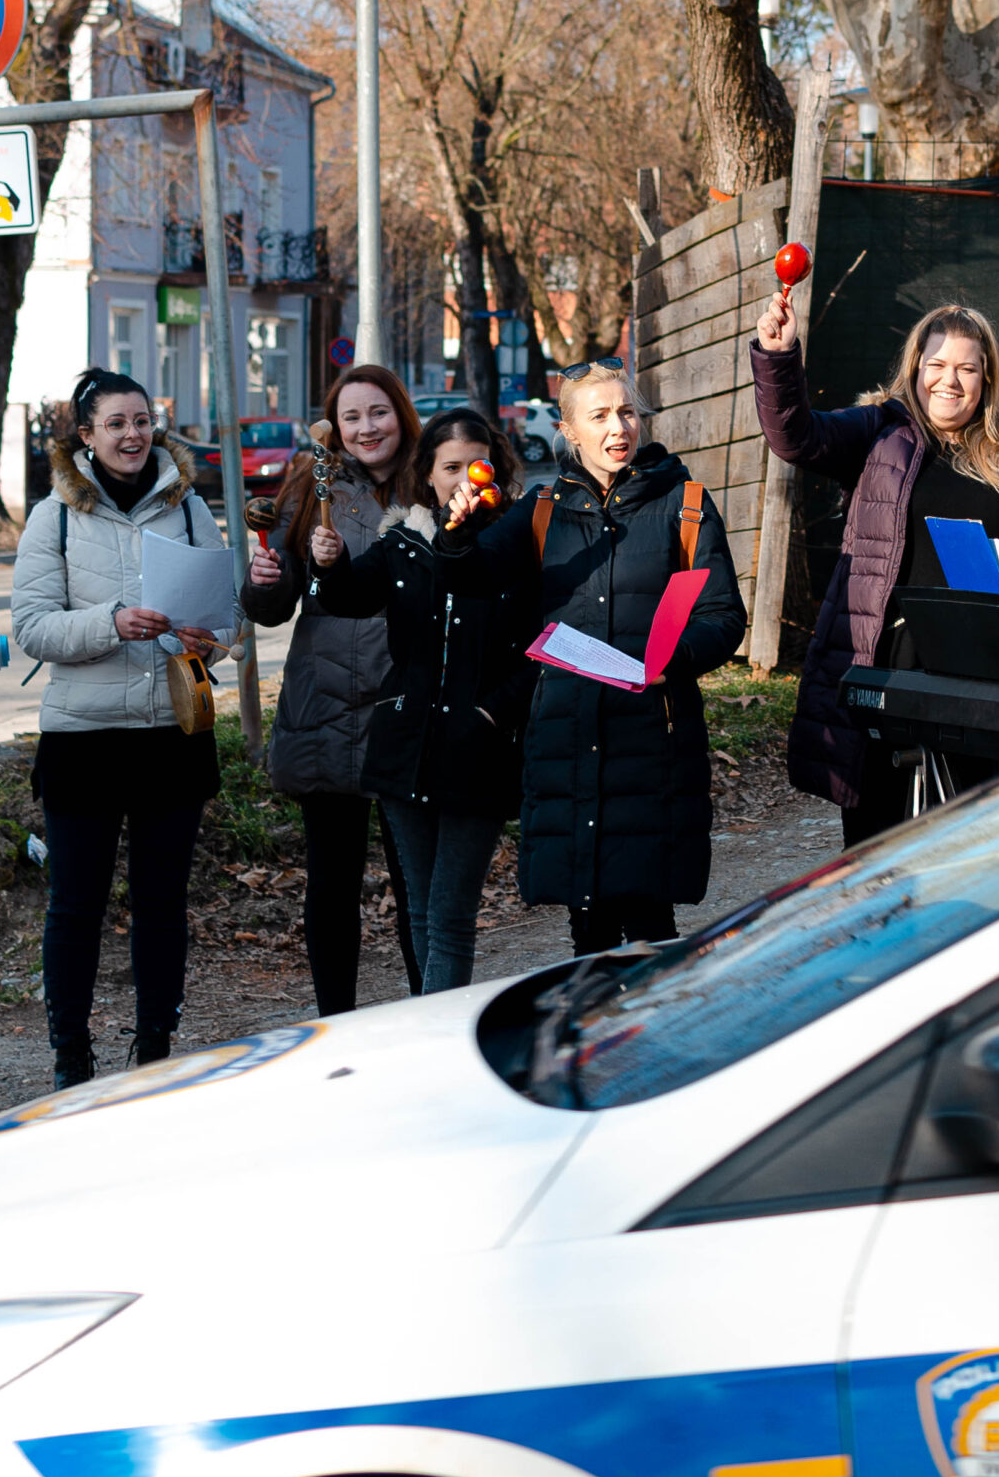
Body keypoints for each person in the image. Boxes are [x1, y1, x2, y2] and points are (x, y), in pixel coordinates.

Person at [753, 292, 999, 842]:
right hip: (892, 665)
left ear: (986, 378)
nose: (949, 381)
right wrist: (779, 358)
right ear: (916, 368)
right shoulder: (879, 432)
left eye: (966, 369)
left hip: (987, 676)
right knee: (879, 843)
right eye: (936, 364)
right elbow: (795, 437)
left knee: (972, 841)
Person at [441, 360, 745, 950]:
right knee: (588, 933)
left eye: (627, 412)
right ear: (569, 430)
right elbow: (472, 579)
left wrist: (673, 659)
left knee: (652, 929)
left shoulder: (685, 504)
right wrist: (457, 533)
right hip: (567, 739)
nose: (617, 428)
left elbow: (723, 616)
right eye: (599, 415)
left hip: (653, 744)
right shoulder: (541, 508)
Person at [11, 368, 231, 1089]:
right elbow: (31, 627)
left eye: (142, 421)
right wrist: (111, 624)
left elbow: (227, 617)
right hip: (84, 740)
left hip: (172, 735)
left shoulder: (190, 509)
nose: (133, 435)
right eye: (116, 424)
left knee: (162, 906)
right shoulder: (55, 516)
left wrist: (209, 639)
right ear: (87, 436)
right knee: (75, 907)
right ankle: (70, 1056)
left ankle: (155, 1049)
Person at [313, 408, 534, 991]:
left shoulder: (517, 542)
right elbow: (348, 598)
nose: (465, 480)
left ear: (496, 469)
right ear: (428, 475)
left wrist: (492, 712)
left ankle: (439, 1033)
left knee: (450, 916)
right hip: (404, 744)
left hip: (477, 748)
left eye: (477, 466)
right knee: (418, 909)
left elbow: (540, 647)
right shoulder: (403, 541)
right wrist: (328, 565)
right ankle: (430, 1020)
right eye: (450, 467)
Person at [242, 364, 424, 1012]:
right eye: (351, 417)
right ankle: (334, 1024)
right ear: (335, 427)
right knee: (331, 885)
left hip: (409, 705)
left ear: (401, 415)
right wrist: (265, 580)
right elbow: (274, 605)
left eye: (378, 412)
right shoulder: (312, 486)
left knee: (418, 885)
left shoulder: (431, 481)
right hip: (327, 707)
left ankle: (428, 1016)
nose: (366, 428)